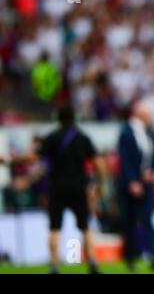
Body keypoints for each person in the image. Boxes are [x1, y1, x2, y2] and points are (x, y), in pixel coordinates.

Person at [0, 105, 106, 274]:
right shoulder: (83, 138)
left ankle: (55, 264)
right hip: (79, 187)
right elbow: (99, 164)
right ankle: (92, 261)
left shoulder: (52, 138)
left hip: (57, 187)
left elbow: (32, 157)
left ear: (58, 119)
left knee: (54, 227)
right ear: (74, 118)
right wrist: (101, 185)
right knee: (85, 226)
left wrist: (8, 160)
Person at [117, 101, 154, 271]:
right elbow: (125, 160)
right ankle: (130, 258)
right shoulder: (126, 132)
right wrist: (132, 181)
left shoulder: (147, 133)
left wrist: (151, 171)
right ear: (140, 114)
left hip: (146, 184)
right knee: (130, 221)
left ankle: (153, 257)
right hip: (130, 185)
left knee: (147, 219)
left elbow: (152, 156)